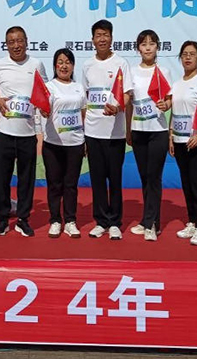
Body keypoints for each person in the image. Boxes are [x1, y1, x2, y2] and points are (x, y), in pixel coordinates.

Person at [0, 26, 47, 237]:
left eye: (19, 40)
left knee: (26, 179)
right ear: (6, 44)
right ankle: (3, 219)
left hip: (27, 133)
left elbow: (44, 92)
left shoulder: (36, 64)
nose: (16, 45)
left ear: (26, 41)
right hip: (5, 131)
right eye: (11, 41)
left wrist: (42, 111)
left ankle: (23, 219)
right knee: (1, 178)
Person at [82, 19, 132, 240]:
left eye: (106, 35)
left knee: (115, 178)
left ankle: (115, 222)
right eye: (98, 35)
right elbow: (85, 99)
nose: (102, 39)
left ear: (111, 38)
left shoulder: (121, 63)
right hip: (93, 131)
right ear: (92, 39)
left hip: (115, 132)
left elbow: (127, 94)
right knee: (97, 179)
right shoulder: (87, 65)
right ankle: (101, 221)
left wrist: (118, 107)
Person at [127, 30, 172, 242]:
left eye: (152, 43)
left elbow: (170, 99)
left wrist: (166, 104)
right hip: (138, 131)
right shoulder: (131, 72)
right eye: (143, 44)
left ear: (157, 47)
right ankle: (150, 219)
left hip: (158, 131)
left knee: (154, 177)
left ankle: (152, 223)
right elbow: (129, 103)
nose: (147, 47)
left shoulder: (163, 71)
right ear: (138, 48)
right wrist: (128, 129)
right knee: (145, 177)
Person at [169, 40, 197, 246]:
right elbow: (175, 111)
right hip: (180, 141)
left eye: (192, 54)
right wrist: (171, 134)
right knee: (187, 184)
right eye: (185, 54)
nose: (188, 57)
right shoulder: (177, 84)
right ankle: (192, 221)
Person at [41, 48, 85, 239]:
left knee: (71, 184)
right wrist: (43, 111)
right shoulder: (49, 87)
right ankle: (55, 220)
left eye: (68, 62)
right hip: (53, 143)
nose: (64, 66)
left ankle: (70, 221)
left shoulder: (79, 87)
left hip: (75, 143)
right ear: (54, 66)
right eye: (60, 62)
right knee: (54, 184)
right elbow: (43, 108)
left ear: (73, 66)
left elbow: (83, 113)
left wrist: (85, 139)